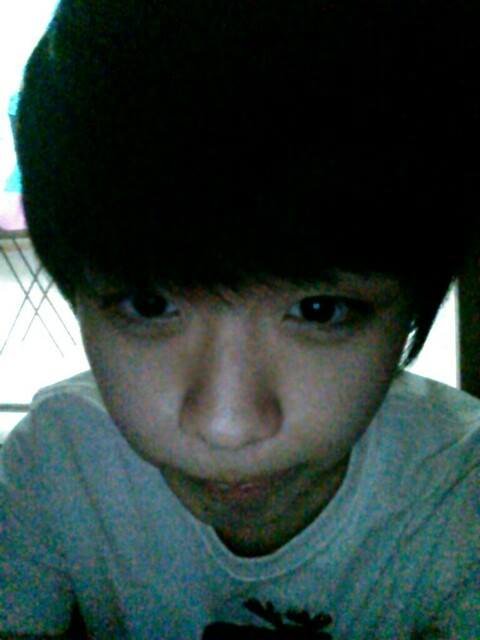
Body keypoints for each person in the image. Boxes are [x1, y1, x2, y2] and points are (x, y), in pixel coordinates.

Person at [1, 0, 479, 637]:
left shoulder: (460, 497)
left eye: (318, 310)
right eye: (150, 304)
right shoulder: (53, 468)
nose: (227, 427)